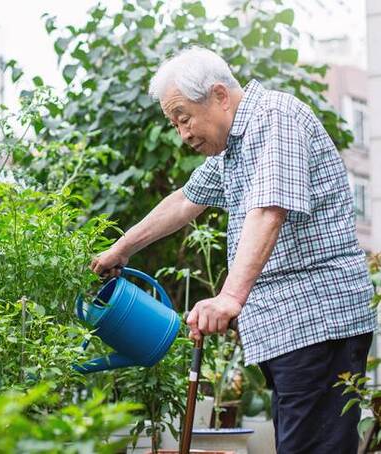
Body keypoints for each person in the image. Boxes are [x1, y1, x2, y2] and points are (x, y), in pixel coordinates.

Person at [90, 47, 376, 453]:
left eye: (184, 118)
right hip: (290, 331)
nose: (183, 134)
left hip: (316, 323)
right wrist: (120, 250)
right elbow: (185, 200)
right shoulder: (235, 149)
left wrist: (228, 298)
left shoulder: (275, 119)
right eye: (175, 124)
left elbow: (269, 211)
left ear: (219, 96)